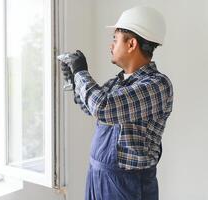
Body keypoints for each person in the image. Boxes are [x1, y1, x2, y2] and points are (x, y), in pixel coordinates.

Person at [58, 6, 173, 200]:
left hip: (127, 185)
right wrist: (74, 80)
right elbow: (90, 106)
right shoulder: (118, 82)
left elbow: (103, 108)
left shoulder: (156, 85)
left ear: (131, 44)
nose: (111, 45)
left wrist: (81, 72)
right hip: (98, 175)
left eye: (115, 39)